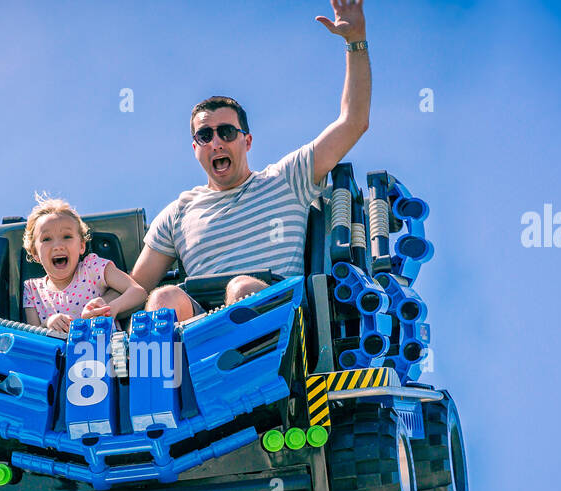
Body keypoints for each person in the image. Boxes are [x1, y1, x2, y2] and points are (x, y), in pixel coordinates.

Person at [129, 0, 372, 320]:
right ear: (195, 148)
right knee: (164, 297)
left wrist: (355, 42)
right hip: (200, 335)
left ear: (247, 140)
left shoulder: (287, 179)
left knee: (241, 288)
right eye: (205, 136)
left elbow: (353, 122)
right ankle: (167, 370)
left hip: (277, 330)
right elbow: (134, 289)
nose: (216, 142)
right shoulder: (178, 214)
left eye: (226, 132)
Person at [21, 195, 147, 333]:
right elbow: (31, 335)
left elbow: (138, 292)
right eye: (46, 239)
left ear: (81, 246)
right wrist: (48, 323)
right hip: (61, 354)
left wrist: (110, 308)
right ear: (35, 253)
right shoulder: (32, 289)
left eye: (67, 236)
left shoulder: (92, 267)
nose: (58, 246)